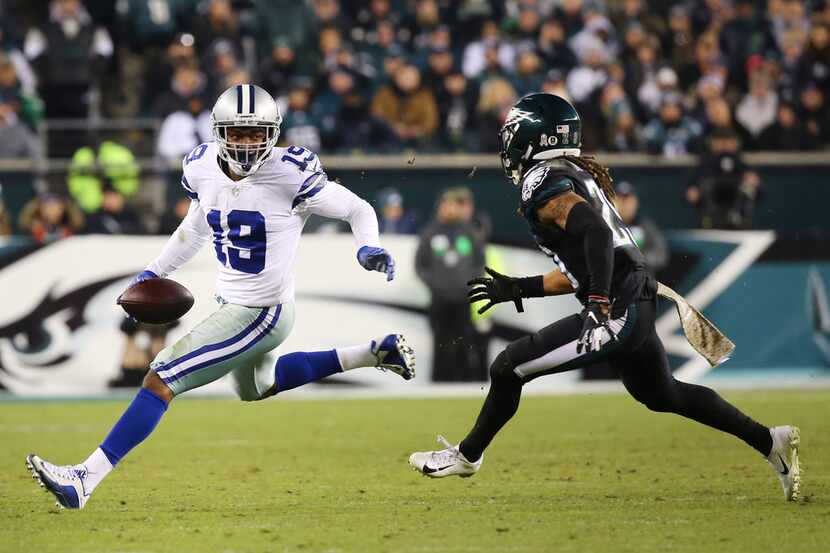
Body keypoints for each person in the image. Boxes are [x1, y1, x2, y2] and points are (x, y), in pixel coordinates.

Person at [26, 84, 416, 510]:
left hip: (260, 312)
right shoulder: (200, 167)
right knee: (255, 388)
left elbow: (357, 208)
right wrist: (154, 272)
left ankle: (84, 479)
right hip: (238, 305)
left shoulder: (291, 171)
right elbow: (194, 229)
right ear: (217, 131)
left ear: (274, 133)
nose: (247, 143)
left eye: (256, 133)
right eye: (237, 132)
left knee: (161, 378)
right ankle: (375, 353)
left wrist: (368, 245)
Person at [408, 93, 800, 503]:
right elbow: (590, 261)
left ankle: (468, 455)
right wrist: (520, 287)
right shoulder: (574, 174)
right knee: (661, 393)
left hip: (616, 306)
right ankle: (769, 441)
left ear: (531, 137)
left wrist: (597, 304)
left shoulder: (541, 179)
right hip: (634, 297)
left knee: (509, 367)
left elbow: (595, 235)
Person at [415, 187, 486, 382]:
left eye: (454, 205)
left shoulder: (469, 232)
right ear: (440, 207)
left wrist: (469, 285)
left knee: (464, 342)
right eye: (446, 205)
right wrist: (435, 285)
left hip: (463, 298)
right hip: (439, 298)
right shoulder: (430, 232)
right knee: (440, 342)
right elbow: (420, 265)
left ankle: (464, 382)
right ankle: (439, 382)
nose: (450, 209)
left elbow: (479, 262)